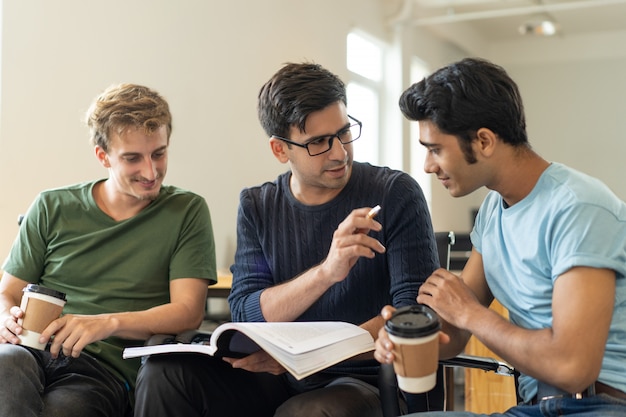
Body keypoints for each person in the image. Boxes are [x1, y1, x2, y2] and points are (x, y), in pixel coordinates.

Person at [133, 62, 442, 417]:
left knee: (306, 412)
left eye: (343, 133)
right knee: (164, 374)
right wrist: (327, 272)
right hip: (276, 376)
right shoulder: (257, 205)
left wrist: (310, 356)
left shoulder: (394, 194)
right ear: (281, 150)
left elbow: (411, 317)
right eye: (318, 143)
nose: (339, 152)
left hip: (366, 378)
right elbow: (246, 310)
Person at [374, 57, 626, 416]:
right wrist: (410, 338)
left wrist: (471, 314)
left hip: (600, 405)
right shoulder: (494, 211)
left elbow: (572, 368)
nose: (429, 166)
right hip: (534, 408)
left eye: (435, 149)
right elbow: (455, 334)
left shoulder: (579, 207)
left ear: (484, 141)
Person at [0, 83, 217, 416]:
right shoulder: (51, 206)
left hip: (102, 371)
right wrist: (5, 318)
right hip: (30, 351)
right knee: (6, 364)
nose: (151, 171)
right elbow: (9, 292)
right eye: (132, 159)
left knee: (63, 410)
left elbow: (188, 311)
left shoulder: (187, 211)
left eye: (159, 153)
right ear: (103, 156)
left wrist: (107, 323)